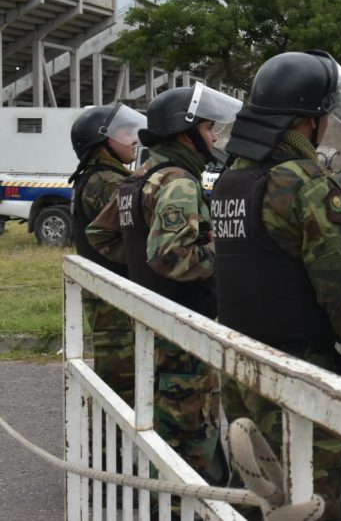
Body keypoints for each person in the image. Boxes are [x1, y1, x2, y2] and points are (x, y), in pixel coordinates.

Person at [210, 50, 341, 518]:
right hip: (298, 370)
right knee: (310, 500)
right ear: (308, 122)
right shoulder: (304, 182)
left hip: (239, 362)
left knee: (255, 491)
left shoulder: (232, 180)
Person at [87, 83, 242, 484]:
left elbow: (101, 236)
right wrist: (223, 254)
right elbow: (170, 257)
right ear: (185, 132)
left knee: (162, 447)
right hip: (183, 340)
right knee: (187, 458)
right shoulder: (178, 183)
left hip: (151, 329)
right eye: (209, 129)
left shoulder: (137, 178)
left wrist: (140, 264)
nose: (215, 138)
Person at [69, 103, 146, 404]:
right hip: (114, 297)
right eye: (126, 133)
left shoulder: (92, 178)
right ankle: (107, 447)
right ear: (103, 141)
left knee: (117, 374)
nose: (134, 138)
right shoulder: (107, 181)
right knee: (122, 383)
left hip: (105, 295)